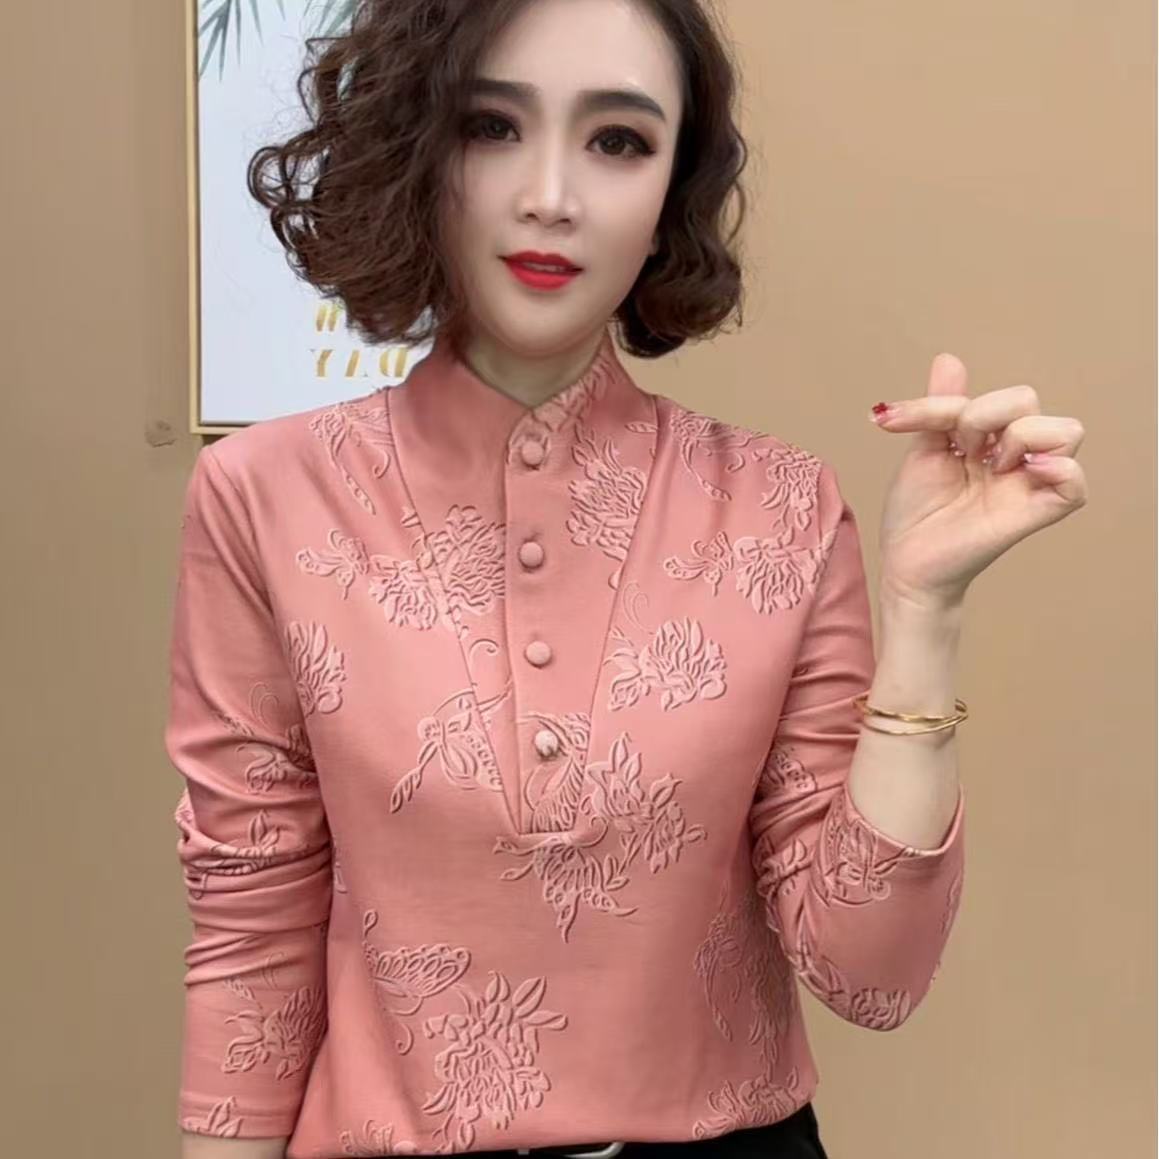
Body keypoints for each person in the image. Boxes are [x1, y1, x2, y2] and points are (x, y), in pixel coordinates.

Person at [167, 1, 971, 1156]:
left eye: (617, 141)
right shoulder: (265, 496)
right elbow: (252, 936)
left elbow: (869, 975)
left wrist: (924, 614)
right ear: (414, 150)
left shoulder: (782, 507)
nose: (551, 194)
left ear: (671, 195)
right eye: (491, 125)